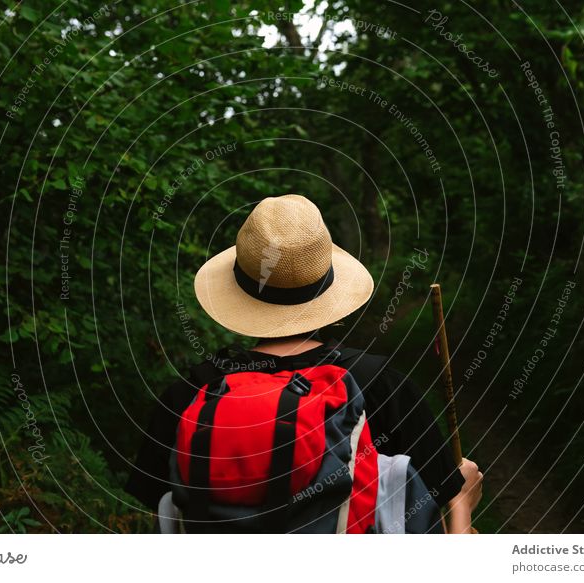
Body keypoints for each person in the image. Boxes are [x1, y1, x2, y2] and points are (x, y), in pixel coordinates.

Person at [127, 194, 483, 533]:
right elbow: (439, 510)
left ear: (240, 288)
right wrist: (463, 501)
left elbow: (162, 513)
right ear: (328, 289)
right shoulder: (381, 387)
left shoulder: (189, 396)